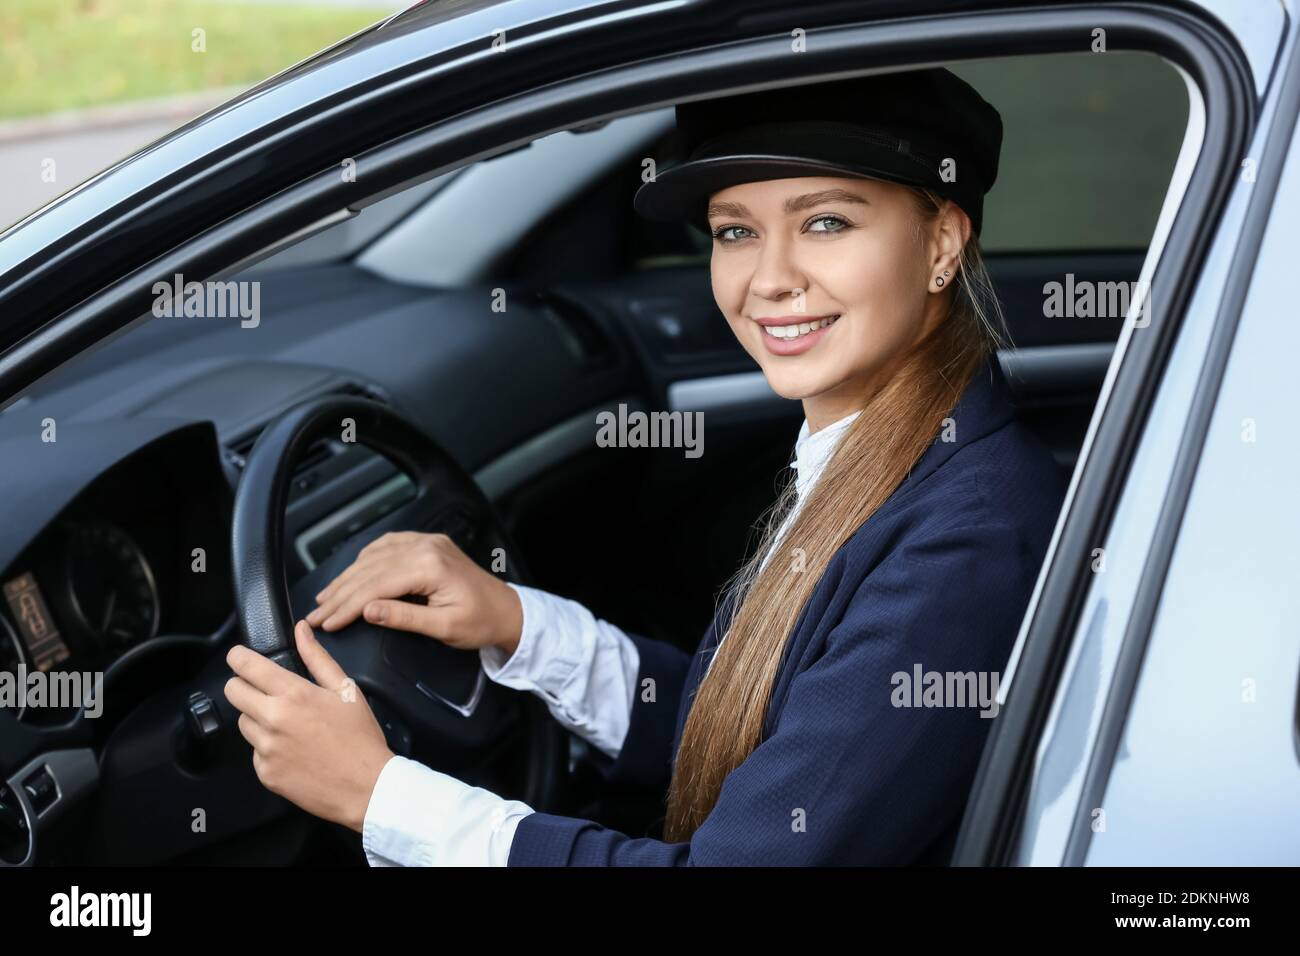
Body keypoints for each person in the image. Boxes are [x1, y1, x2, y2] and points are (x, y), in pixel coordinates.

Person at [224, 67, 1068, 865]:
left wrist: (382, 797)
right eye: (736, 232)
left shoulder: (968, 541)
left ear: (941, 244)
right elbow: (751, 735)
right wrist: (520, 625)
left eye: (825, 222)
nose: (769, 280)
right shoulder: (884, 454)